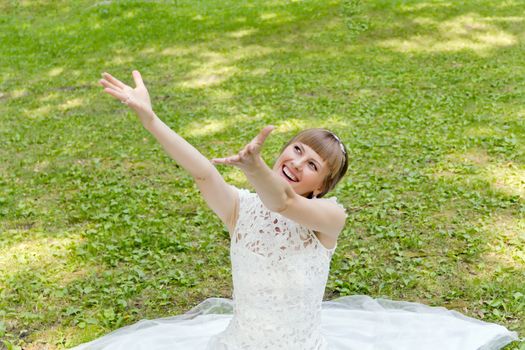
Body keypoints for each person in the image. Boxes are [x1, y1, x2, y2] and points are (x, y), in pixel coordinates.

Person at [71, 70, 520, 349]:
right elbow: (203, 173)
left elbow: (282, 202)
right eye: (296, 150)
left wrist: (254, 167)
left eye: (312, 165)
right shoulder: (240, 210)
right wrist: (150, 118)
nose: (296, 163)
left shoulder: (329, 219)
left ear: (322, 186)